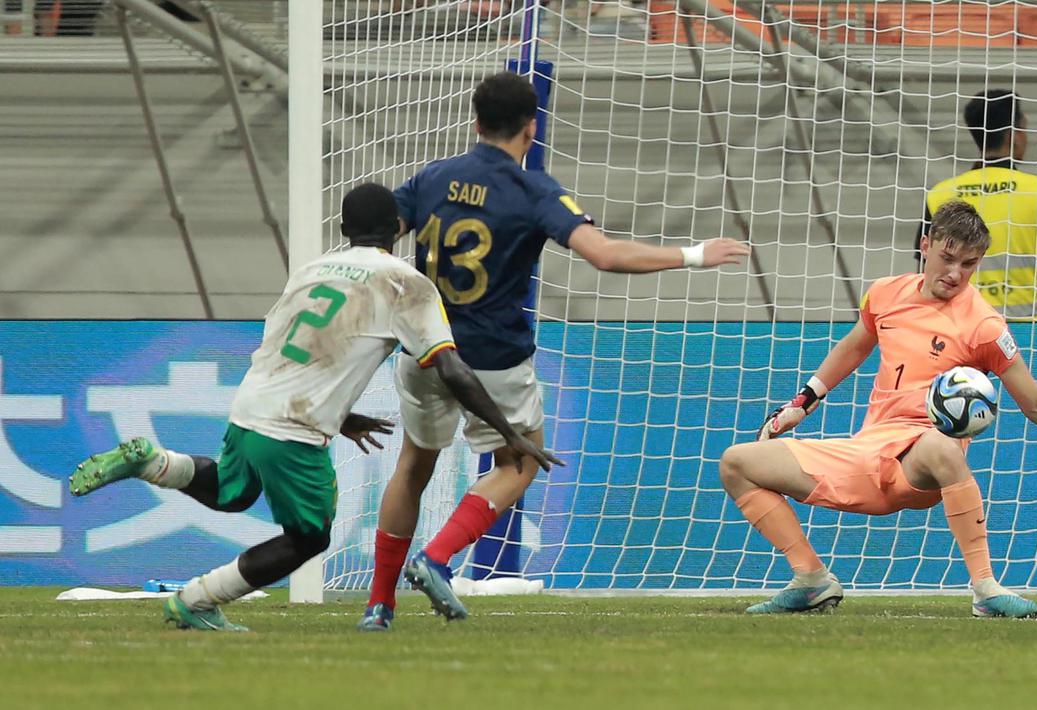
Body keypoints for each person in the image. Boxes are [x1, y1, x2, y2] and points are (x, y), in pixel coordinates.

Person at [69, 183, 560, 632]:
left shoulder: (310, 271)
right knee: (307, 539)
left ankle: (153, 462)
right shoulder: (404, 283)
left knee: (228, 492)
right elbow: (450, 368)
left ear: (343, 228)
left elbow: (287, 347)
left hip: (251, 406)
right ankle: (196, 600)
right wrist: (507, 432)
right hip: (296, 430)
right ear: (397, 229)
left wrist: (341, 416)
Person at [358, 70, 749, 628]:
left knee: (413, 466)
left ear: (476, 122)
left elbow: (379, 237)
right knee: (520, 461)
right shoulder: (533, 191)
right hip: (494, 357)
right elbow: (605, 255)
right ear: (531, 127)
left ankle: (379, 605)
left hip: (425, 348)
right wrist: (693, 255)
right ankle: (437, 558)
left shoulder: (433, 177)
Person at [722, 200, 1037, 618]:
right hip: (866, 452)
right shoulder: (885, 293)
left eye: (969, 264)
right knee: (737, 463)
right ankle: (811, 579)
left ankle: (985, 588)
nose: (955, 273)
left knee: (943, 446)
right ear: (926, 245)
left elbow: (1032, 399)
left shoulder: (984, 326)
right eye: (948, 258)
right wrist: (804, 401)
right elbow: (854, 346)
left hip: (919, 457)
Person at [915, 90, 1037, 321]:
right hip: (1027, 330)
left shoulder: (940, 195)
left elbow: (922, 272)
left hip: (959, 328)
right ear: (1014, 135)